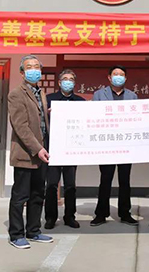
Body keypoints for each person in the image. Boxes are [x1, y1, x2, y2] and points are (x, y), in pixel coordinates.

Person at [7, 55, 53, 249]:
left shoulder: (40, 93)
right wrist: (38, 148)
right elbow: (21, 126)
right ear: (22, 72)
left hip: (42, 154)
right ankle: (16, 234)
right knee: (20, 196)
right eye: (29, 67)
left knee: (37, 194)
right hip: (26, 154)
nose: (34, 70)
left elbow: (39, 121)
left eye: (37, 67)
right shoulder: (16, 94)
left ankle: (33, 230)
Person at [90, 65, 139, 227]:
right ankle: (101, 214)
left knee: (125, 180)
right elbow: (92, 117)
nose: (118, 77)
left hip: (126, 144)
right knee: (105, 179)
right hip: (106, 144)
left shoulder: (132, 96)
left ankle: (125, 213)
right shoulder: (99, 95)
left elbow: (138, 119)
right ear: (109, 78)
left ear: (126, 78)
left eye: (121, 74)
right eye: (115, 74)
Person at [44, 69, 85, 229]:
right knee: (51, 185)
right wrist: (48, 115)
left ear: (74, 83)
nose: (68, 82)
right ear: (59, 82)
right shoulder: (49, 99)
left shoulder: (80, 102)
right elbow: (40, 121)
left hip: (71, 149)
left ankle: (70, 217)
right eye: (65, 79)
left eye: (71, 79)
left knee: (70, 185)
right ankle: (50, 217)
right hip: (52, 148)